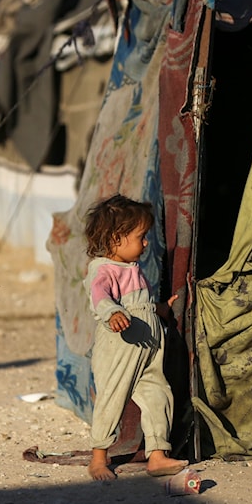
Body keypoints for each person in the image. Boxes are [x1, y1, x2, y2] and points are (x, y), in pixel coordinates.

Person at [83, 194, 188, 481]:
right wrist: (112, 313)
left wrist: (162, 309)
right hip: (121, 346)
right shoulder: (103, 269)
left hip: (149, 348)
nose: (145, 244)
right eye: (140, 237)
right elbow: (100, 296)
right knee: (112, 397)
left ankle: (157, 455)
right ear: (116, 238)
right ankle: (98, 457)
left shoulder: (133, 269)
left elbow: (139, 304)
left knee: (158, 394)